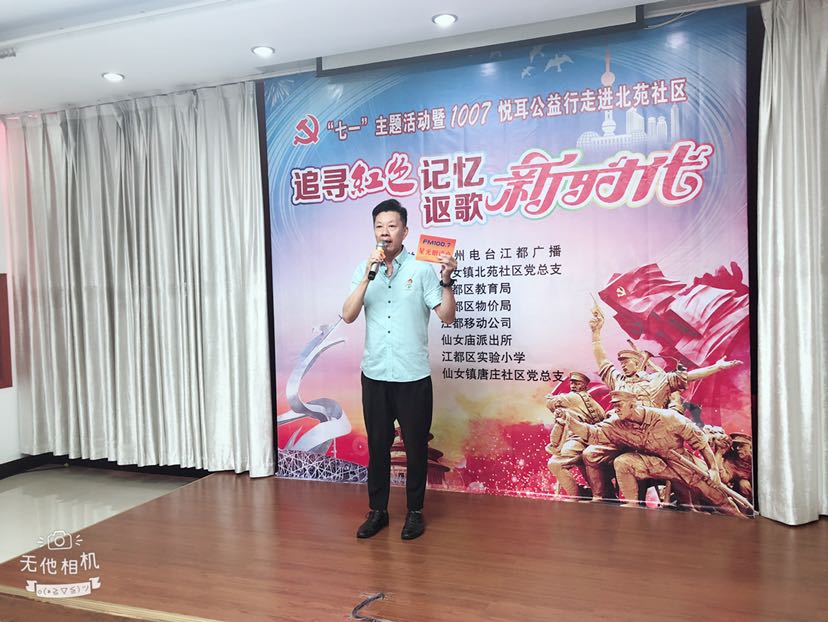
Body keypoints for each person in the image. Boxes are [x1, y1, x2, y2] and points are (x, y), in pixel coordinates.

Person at [341, 198, 457, 540]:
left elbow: (447, 317)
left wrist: (446, 280)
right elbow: (347, 315)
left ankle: (415, 512)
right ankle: (377, 511)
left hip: (412, 376)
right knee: (378, 446)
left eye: (392, 226)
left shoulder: (421, 269)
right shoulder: (365, 269)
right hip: (375, 373)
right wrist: (367, 276)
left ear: (405, 231)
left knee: (416, 447)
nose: (385, 232)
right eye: (379, 226)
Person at [556, 390, 745, 517]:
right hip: (653, 462)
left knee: (716, 495)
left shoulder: (669, 418)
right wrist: (569, 420)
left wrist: (713, 469)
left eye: (619, 405)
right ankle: (632, 506)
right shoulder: (616, 424)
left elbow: (701, 443)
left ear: (633, 404)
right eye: (614, 405)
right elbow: (592, 433)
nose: (615, 409)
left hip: (680, 461)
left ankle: (740, 517)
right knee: (623, 462)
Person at [544, 371, 607, 498]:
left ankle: (577, 494)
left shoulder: (573, 397)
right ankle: (588, 492)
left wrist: (550, 399)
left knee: (555, 464)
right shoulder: (594, 403)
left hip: (579, 440)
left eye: (577, 383)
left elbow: (550, 404)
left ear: (584, 386)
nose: (573, 386)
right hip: (592, 442)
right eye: (572, 383)